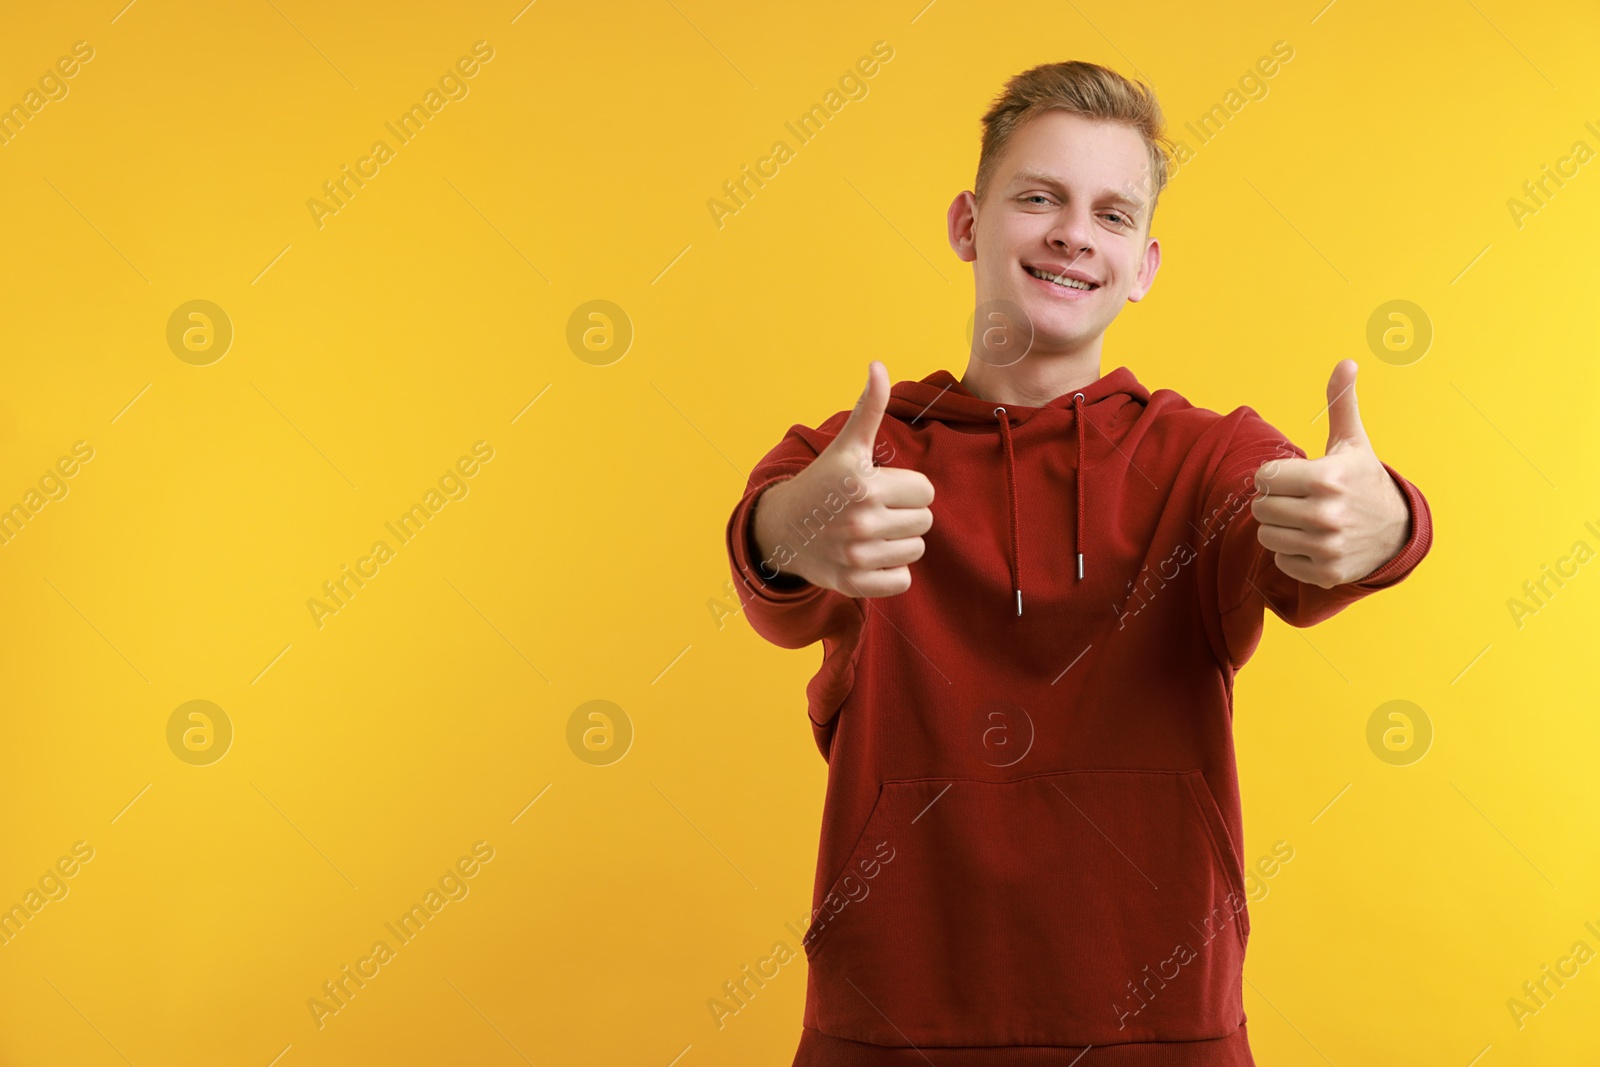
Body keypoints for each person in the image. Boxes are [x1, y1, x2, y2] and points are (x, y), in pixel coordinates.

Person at [724, 60, 1432, 1066]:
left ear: (1142, 264)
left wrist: (1385, 520)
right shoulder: (859, 454)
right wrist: (794, 529)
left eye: (1110, 213)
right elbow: (771, 559)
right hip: (886, 1019)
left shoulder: (1206, 457)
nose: (1071, 233)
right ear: (968, 225)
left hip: (1163, 1022)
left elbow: (1313, 535)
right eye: (1038, 198)